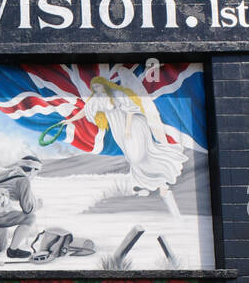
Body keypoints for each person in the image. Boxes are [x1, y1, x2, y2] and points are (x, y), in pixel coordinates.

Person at [64, 74, 187, 221]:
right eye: (94, 88)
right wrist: (69, 120)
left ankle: (155, 183)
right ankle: (154, 185)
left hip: (134, 125)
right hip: (119, 131)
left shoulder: (117, 94)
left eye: (98, 86)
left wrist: (128, 129)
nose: (97, 89)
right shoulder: (97, 99)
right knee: (133, 158)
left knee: (137, 156)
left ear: (104, 85)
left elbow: (130, 111)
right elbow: (84, 111)